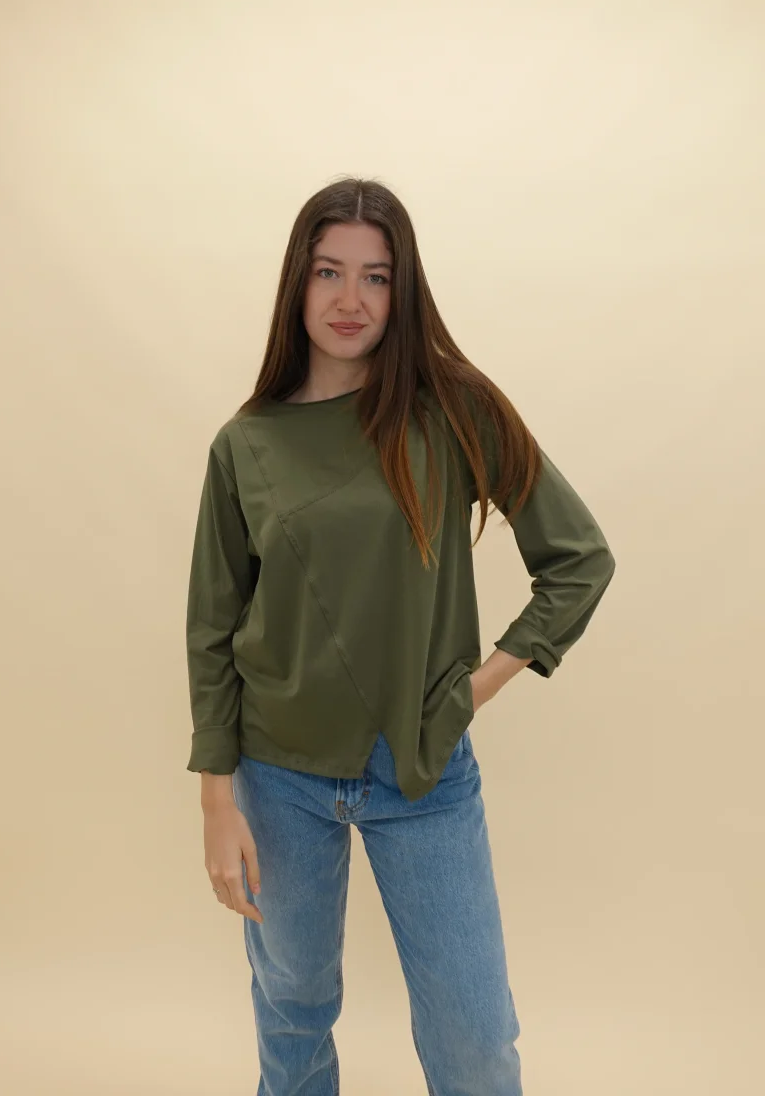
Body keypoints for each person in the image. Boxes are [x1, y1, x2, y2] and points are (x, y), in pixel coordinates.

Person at [185, 176, 615, 1096]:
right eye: (328, 271)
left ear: (403, 289)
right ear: (297, 282)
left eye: (375, 277)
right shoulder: (245, 444)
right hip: (277, 776)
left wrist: (472, 689)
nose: (350, 299)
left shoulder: (453, 410)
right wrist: (217, 802)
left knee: (475, 1042)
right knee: (292, 1016)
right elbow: (213, 628)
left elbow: (579, 559)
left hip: (423, 770)